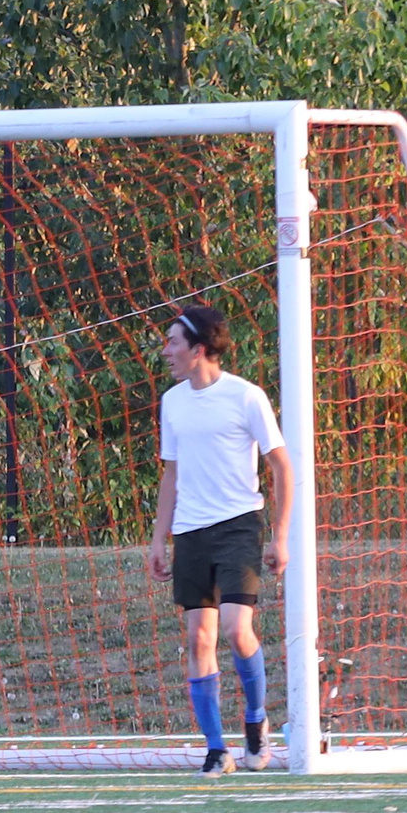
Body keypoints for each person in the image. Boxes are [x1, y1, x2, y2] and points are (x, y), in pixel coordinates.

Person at [146, 304, 292, 775]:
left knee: (235, 628)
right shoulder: (172, 401)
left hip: (238, 526)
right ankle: (215, 748)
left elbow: (282, 467)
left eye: (173, 342)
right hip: (191, 532)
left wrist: (280, 537)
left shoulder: (246, 397)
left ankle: (255, 719)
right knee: (198, 638)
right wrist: (157, 540)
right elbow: (171, 474)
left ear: (200, 348)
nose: (165, 350)